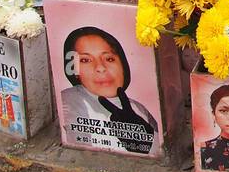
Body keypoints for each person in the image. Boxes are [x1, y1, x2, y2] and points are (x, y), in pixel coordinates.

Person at [59, 27, 158, 155]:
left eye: (109, 59)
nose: (100, 67)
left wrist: (146, 142)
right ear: (74, 71)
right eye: (85, 60)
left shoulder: (138, 108)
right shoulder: (69, 100)